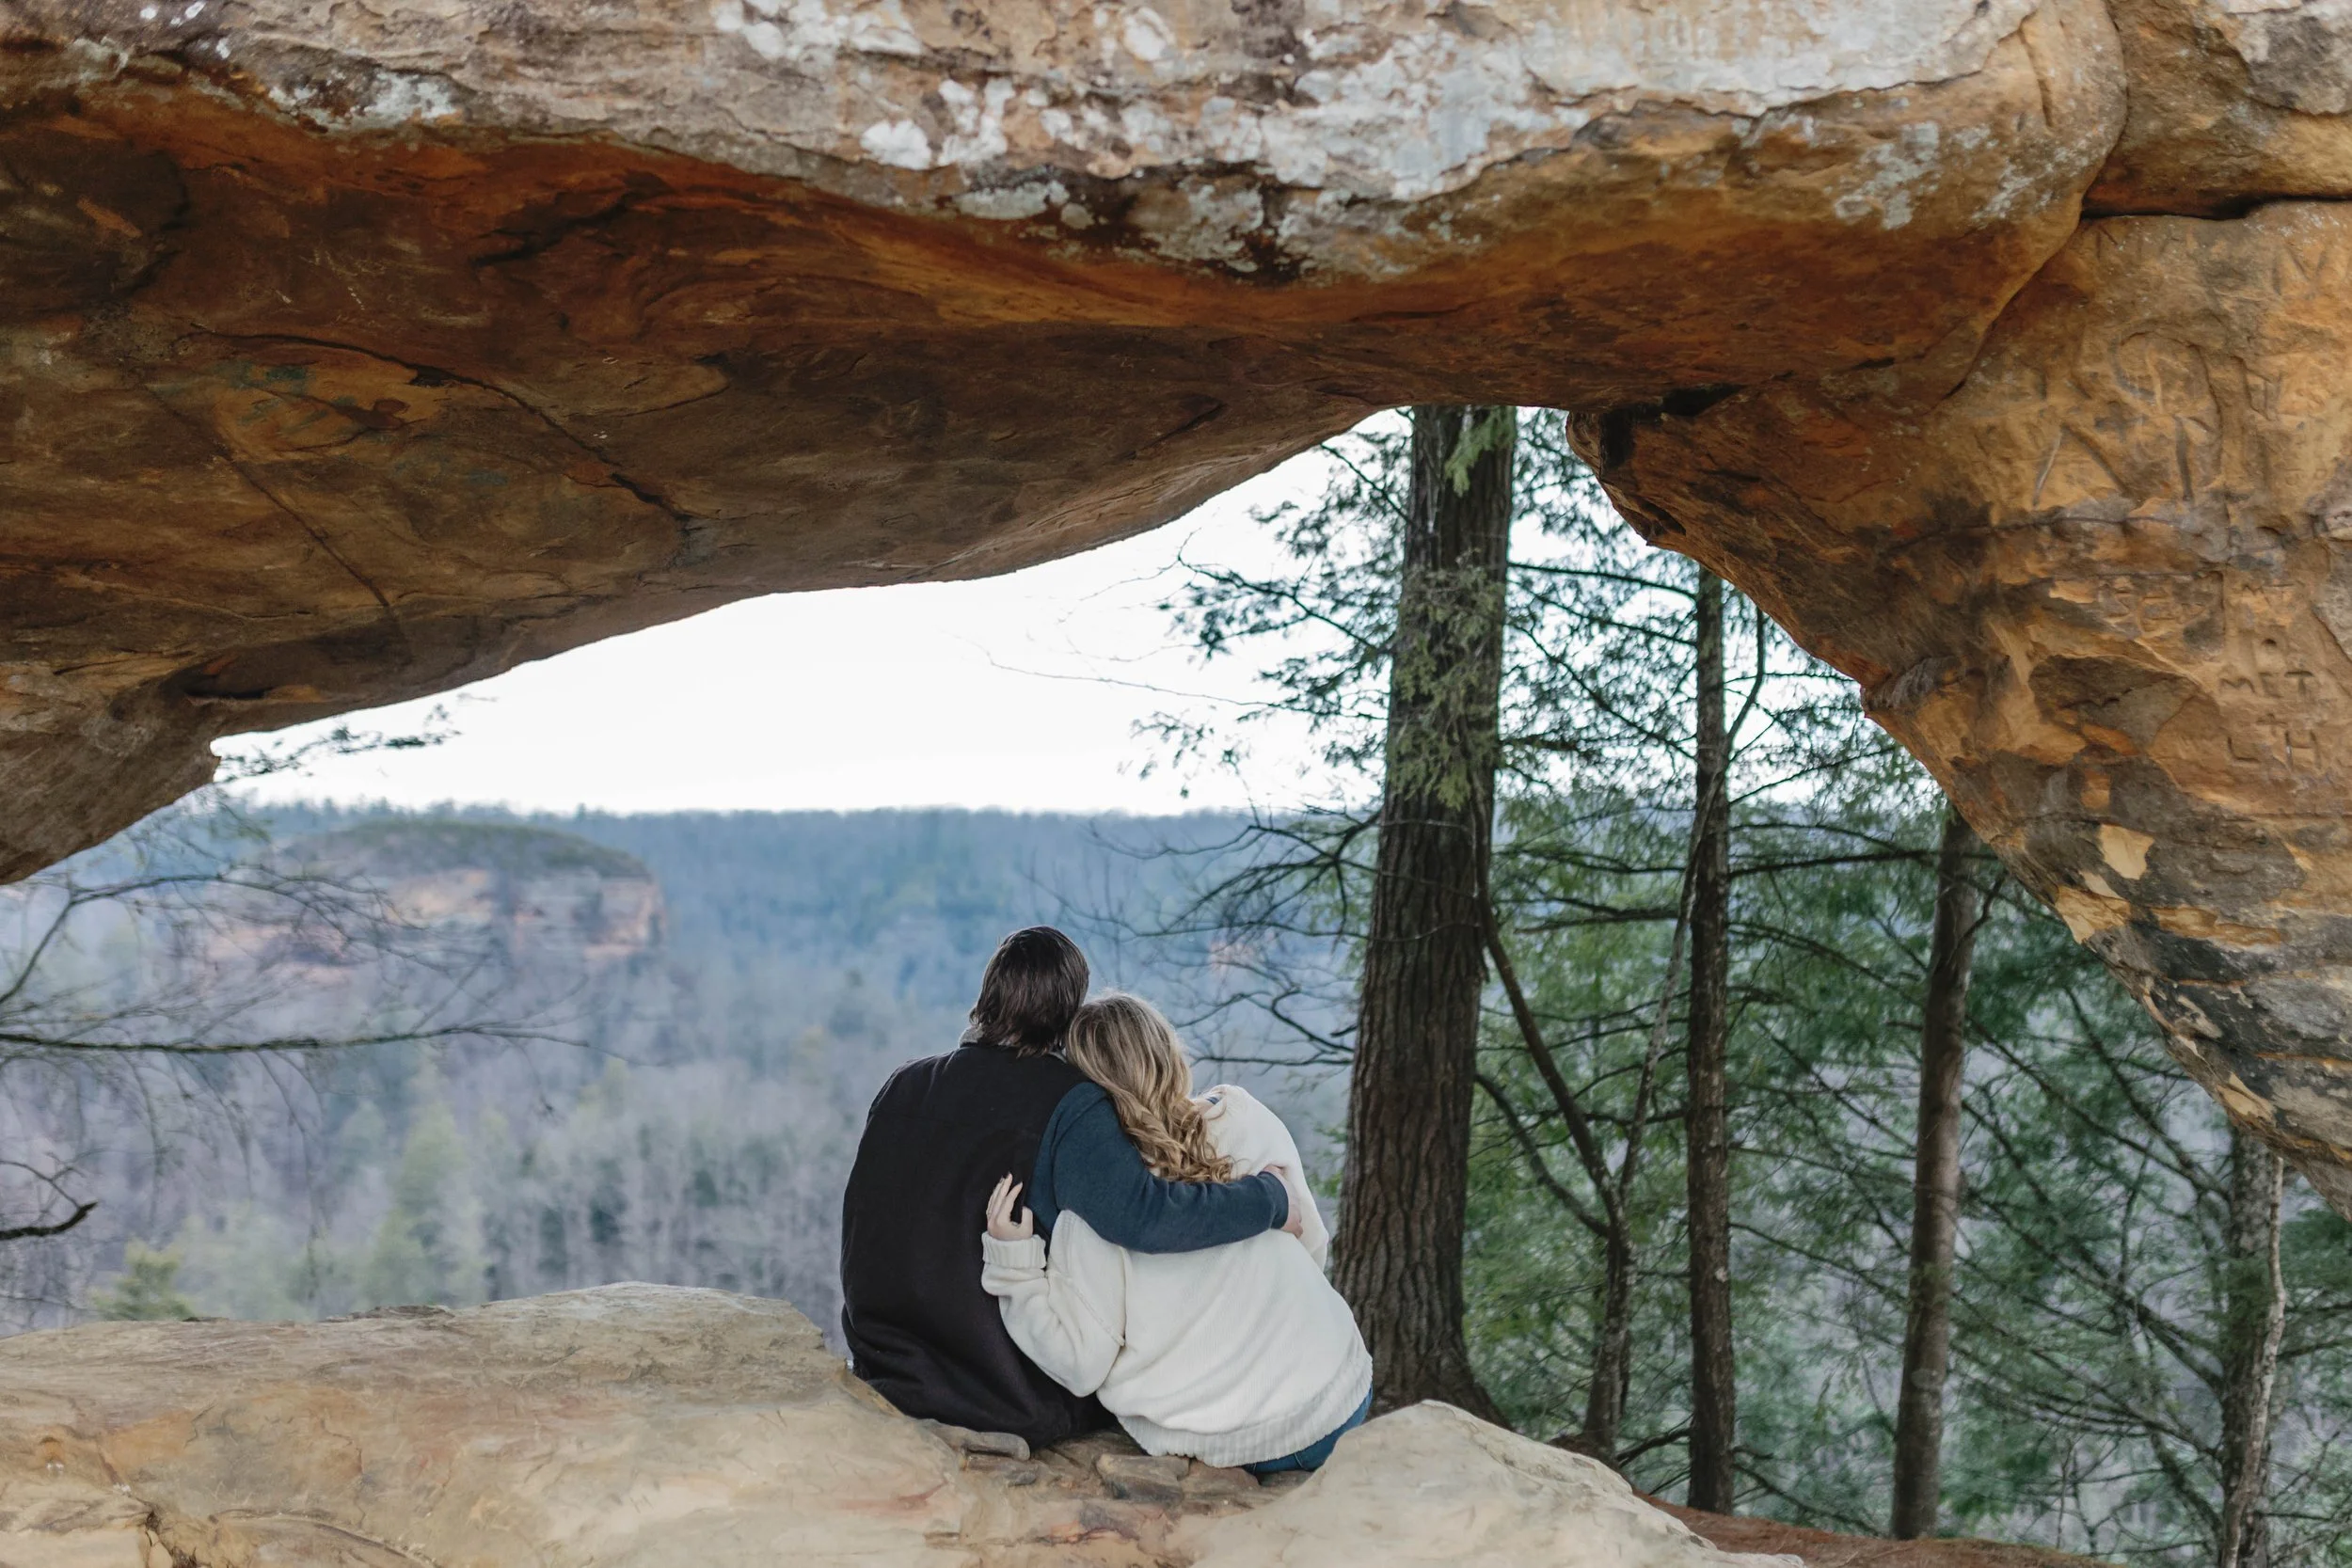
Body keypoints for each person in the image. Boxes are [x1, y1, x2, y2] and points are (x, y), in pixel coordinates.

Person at [839, 927, 1302, 1450]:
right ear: (1069, 1012)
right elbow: (1148, 1216)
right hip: (997, 1393)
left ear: (987, 996)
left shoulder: (904, 1082)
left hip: (885, 1371)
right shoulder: (1069, 1104)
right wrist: (1270, 1199)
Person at [978, 992, 1374, 1475]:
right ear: (1167, 1052)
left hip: (1235, 1443)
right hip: (1339, 1394)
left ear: (1082, 1089)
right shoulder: (1240, 1116)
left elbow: (1080, 1364)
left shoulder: (1093, 1214)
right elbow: (1308, 1236)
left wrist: (1014, 1266)